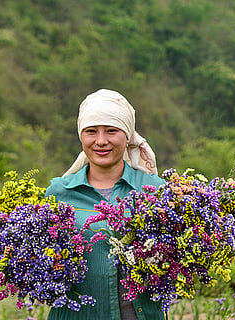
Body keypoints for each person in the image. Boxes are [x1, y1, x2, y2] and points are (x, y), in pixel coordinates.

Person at [45, 89, 165, 320]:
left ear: (127, 136)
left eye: (112, 131)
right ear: (81, 136)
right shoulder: (59, 192)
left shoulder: (155, 190)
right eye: (91, 131)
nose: (101, 141)